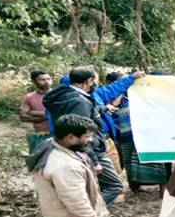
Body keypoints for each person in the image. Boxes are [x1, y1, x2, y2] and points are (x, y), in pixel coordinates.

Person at [42, 67, 124, 207]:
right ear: (89, 81)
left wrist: (104, 108)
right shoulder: (80, 101)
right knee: (114, 186)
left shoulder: (67, 96)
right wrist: (94, 160)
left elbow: (85, 113)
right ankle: (88, 214)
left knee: (86, 186)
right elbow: (82, 132)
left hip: (71, 148)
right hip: (89, 150)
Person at [108, 72, 170, 195]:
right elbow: (114, 104)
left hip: (154, 134)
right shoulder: (127, 94)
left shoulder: (160, 96)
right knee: (130, 162)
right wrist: (123, 87)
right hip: (128, 134)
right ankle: (135, 189)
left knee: (161, 163)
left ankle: (163, 192)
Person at [20, 70, 53, 153]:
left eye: (48, 79)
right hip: (38, 134)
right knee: (37, 160)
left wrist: (32, 112)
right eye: (42, 80)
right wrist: (47, 115)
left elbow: (58, 114)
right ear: (33, 81)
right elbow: (23, 117)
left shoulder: (58, 95)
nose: (47, 82)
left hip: (57, 134)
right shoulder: (29, 97)